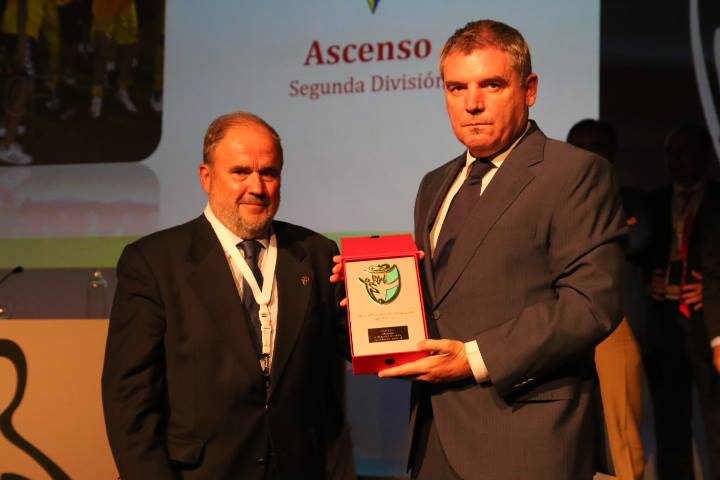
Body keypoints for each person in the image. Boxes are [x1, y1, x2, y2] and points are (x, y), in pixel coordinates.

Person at [334, 19, 625, 479]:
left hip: (528, 436)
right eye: (456, 88)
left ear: (529, 89)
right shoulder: (435, 184)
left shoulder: (575, 173)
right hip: (434, 437)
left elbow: (592, 304)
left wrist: (472, 358)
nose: (472, 104)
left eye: (491, 85)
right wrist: (373, 297)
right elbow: (445, 297)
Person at [102, 111, 355, 480]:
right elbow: (129, 401)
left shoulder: (315, 253)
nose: (257, 186)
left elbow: (361, 349)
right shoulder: (154, 262)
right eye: (240, 172)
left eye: (269, 173)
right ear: (206, 177)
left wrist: (375, 299)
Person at [567, 119, 648, 480]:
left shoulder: (628, 201)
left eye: (597, 145)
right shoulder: (554, 201)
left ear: (611, 152)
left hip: (613, 326)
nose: (588, 153)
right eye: (579, 145)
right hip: (558, 325)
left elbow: (636, 241)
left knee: (619, 436)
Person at [645, 124, 720, 480]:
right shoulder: (655, 201)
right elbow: (637, 254)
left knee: (716, 417)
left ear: (705, 155)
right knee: (669, 422)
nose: (678, 160)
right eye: (671, 153)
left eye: (686, 151)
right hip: (665, 322)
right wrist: (651, 280)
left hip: (710, 322)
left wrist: (711, 287)